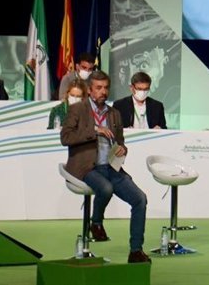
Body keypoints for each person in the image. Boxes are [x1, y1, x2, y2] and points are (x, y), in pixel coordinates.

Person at [60, 70, 150, 263]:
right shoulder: (78, 109)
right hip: (87, 167)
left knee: (140, 199)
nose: (103, 91)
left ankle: (136, 251)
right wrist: (94, 131)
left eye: (106, 88)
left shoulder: (114, 114)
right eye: (99, 88)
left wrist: (122, 150)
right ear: (90, 90)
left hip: (111, 167)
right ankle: (96, 222)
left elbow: (120, 142)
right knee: (106, 188)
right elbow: (65, 137)